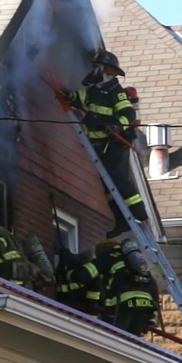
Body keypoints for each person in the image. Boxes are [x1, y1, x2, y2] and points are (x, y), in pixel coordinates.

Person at [68, 50, 149, 238]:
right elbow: (78, 98)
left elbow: (128, 114)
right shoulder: (92, 90)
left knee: (118, 177)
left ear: (106, 70)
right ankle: (121, 220)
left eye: (97, 67)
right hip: (98, 142)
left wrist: (116, 126)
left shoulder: (115, 91)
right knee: (106, 185)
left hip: (114, 142)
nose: (93, 70)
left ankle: (139, 213)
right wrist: (67, 95)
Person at [103, 238, 160, 336]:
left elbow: (111, 285)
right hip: (145, 306)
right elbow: (154, 291)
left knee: (119, 336)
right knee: (134, 338)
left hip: (125, 304)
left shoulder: (115, 262)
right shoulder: (143, 270)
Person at [54, 248, 103, 315]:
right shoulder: (68, 267)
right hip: (62, 307)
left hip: (81, 314)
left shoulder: (90, 272)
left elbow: (78, 276)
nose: (76, 256)